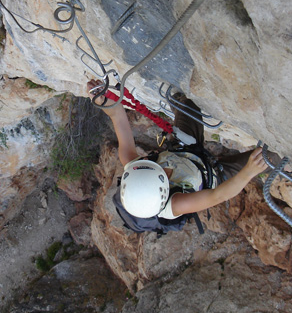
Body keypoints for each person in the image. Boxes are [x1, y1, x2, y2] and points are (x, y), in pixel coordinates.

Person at [87, 80, 269, 220]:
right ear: (164, 189)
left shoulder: (134, 167)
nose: (164, 171)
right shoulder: (176, 204)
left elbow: (117, 116)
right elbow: (218, 195)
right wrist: (248, 172)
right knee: (268, 159)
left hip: (185, 150)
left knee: (188, 105)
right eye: (163, 174)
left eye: (152, 166)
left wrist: (103, 99)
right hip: (213, 176)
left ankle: (179, 105)